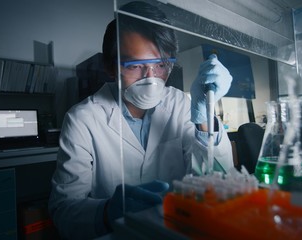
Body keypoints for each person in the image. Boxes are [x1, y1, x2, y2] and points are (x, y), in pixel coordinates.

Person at [48, 1, 234, 239]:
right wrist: (106, 213)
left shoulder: (181, 104)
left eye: (161, 65)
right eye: (136, 66)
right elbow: (64, 211)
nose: (152, 78)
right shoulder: (82, 119)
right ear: (110, 67)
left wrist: (204, 116)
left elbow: (217, 182)